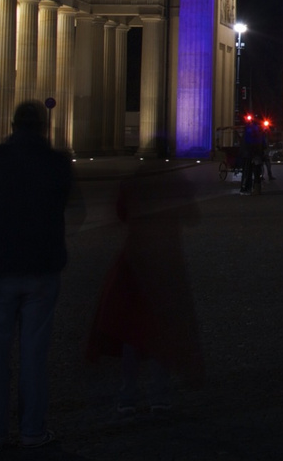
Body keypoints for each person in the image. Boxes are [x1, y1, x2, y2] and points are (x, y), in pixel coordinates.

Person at [0, 101, 76, 452]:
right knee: (34, 357)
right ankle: (32, 431)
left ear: (12, 124)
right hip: (41, 268)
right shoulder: (57, 163)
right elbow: (71, 208)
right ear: (44, 126)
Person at [85, 139, 204, 414]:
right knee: (162, 324)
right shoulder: (175, 182)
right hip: (166, 259)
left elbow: (121, 214)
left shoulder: (133, 181)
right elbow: (193, 217)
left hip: (134, 258)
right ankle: (159, 394)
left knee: (129, 326)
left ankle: (128, 393)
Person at [239, 118, 266, 195]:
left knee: (247, 172)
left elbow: (245, 144)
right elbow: (261, 143)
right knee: (255, 172)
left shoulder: (248, 132)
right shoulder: (257, 133)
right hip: (253, 154)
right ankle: (255, 188)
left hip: (248, 154)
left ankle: (246, 188)